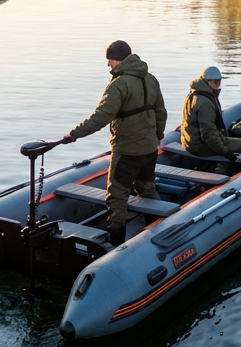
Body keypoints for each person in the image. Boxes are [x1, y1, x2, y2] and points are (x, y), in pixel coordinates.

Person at [61, 40, 167, 246]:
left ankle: (116, 245)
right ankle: (159, 229)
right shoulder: (151, 79)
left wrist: (74, 133)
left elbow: (101, 116)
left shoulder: (118, 84)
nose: (108, 65)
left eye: (109, 60)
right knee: (147, 188)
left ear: (116, 59)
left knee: (117, 198)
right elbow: (161, 112)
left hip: (127, 151)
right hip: (149, 149)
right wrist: (157, 136)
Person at [180, 66, 241, 163]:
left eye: (219, 81)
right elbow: (208, 132)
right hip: (199, 147)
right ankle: (226, 168)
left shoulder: (192, 94)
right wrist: (224, 152)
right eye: (215, 82)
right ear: (206, 82)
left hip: (188, 142)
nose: (218, 84)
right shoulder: (205, 103)